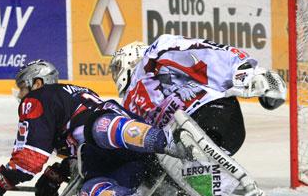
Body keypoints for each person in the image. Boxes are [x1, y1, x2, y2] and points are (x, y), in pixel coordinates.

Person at [0, 59, 189, 196]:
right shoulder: (69, 99)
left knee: (98, 128)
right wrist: (60, 172)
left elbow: (30, 157)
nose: (21, 95)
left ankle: (166, 141)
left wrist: (2, 177)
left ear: (37, 83)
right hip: (128, 155)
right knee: (87, 188)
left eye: (23, 87)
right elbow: (78, 149)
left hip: (115, 136)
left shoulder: (39, 97)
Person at [110, 34, 286, 156]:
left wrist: (245, 70)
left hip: (211, 115)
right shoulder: (125, 108)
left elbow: (196, 52)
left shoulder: (151, 58)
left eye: (117, 66)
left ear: (132, 58)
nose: (116, 73)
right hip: (206, 139)